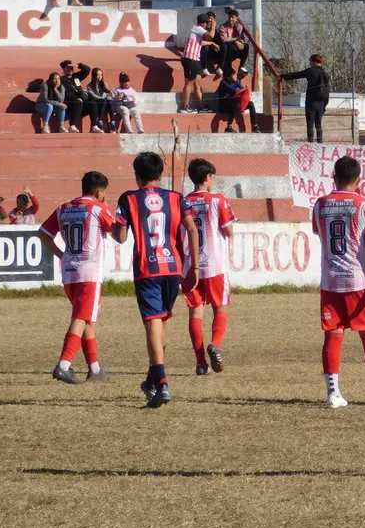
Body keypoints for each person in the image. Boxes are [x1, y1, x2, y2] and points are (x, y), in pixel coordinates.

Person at [110, 152, 200, 409]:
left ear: (137, 175)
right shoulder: (176, 198)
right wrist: (193, 267)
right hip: (173, 268)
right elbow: (192, 229)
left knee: (152, 324)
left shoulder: (128, 198)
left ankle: (162, 383)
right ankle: (151, 380)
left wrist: (111, 225)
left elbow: (121, 236)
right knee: (161, 323)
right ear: (160, 174)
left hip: (146, 269)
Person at [313, 155, 365, 408]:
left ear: (333, 177)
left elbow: (321, 235)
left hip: (330, 280)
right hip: (357, 280)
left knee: (333, 333)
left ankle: (333, 393)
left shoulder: (320, 204)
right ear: (359, 180)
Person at [36, 171, 113, 384]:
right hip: (89, 271)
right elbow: (116, 231)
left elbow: (43, 232)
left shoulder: (64, 208)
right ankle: (64, 365)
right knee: (81, 318)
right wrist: (106, 207)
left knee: (86, 318)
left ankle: (94, 368)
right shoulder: (98, 208)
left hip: (69, 271)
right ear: (99, 192)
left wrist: (61, 253)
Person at [182, 159, 236, 376]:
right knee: (220, 308)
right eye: (213, 177)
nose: (214, 181)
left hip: (191, 265)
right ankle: (214, 344)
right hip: (214, 264)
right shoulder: (218, 200)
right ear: (207, 178)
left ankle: (200, 362)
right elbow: (229, 231)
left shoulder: (183, 201)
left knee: (195, 313)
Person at [282, 55, 332, 143]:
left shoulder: (311, 71)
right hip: (321, 102)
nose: (310, 63)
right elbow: (327, 90)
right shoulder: (325, 73)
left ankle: (311, 143)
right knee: (318, 124)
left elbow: (296, 75)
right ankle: (320, 143)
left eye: (310, 61)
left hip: (311, 102)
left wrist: (282, 76)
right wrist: (325, 104)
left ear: (314, 62)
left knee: (310, 125)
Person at [179, 14, 210, 114]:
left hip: (195, 59)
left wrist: (211, 44)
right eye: (208, 23)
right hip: (190, 58)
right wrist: (214, 25)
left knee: (197, 83)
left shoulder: (196, 31)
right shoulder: (198, 28)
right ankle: (185, 106)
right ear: (204, 23)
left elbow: (200, 43)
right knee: (189, 82)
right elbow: (211, 36)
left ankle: (202, 106)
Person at [216, 67, 258, 133]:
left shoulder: (236, 82)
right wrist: (239, 91)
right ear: (228, 77)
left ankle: (255, 126)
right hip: (224, 106)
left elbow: (243, 90)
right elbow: (232, 91)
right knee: (237, 105)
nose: (236, 76)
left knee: (251, 104)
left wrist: (242, 92)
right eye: (234, 75)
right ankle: (228, 127)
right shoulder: (223, 83)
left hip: (234, 104)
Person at [217, 8, 249, 78]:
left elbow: (244, 38)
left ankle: (241, 67)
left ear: (237, 18)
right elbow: (224, 39)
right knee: (228, 46)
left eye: (233, 17)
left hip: (235, 48)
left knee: (246, 46)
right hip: (227, 48)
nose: (231, 19)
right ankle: (226, 68)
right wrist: (235, 40)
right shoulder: (222, 27)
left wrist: (242, 42)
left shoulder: (239, 27)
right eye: (229, 17)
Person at [60, 60, 90, 133]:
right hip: (69, 101)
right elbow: (66, 93)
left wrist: (78, 65)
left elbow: (87, 70)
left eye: (71, 68)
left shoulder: (76, 77)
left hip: (81, 99)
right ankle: (72, 125)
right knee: (78, 102)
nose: (70, 70)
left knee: (93, 102)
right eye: (68, 68)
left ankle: (95, 126)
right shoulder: (61, 79)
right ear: (63, 69)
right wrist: (77, 97)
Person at [85, 67, 111, 134]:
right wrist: (102, 97)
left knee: (108, 101)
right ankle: (99, 122)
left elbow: (109, 93)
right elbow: (92, 95)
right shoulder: (90, 85)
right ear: (94, 76)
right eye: (98, 75)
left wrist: (108, 95)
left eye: (101, 75)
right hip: (96, 102)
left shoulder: (104, 84)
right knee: (102, 100)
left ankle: (104, 121)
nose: (100, 77)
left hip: (103, 103)